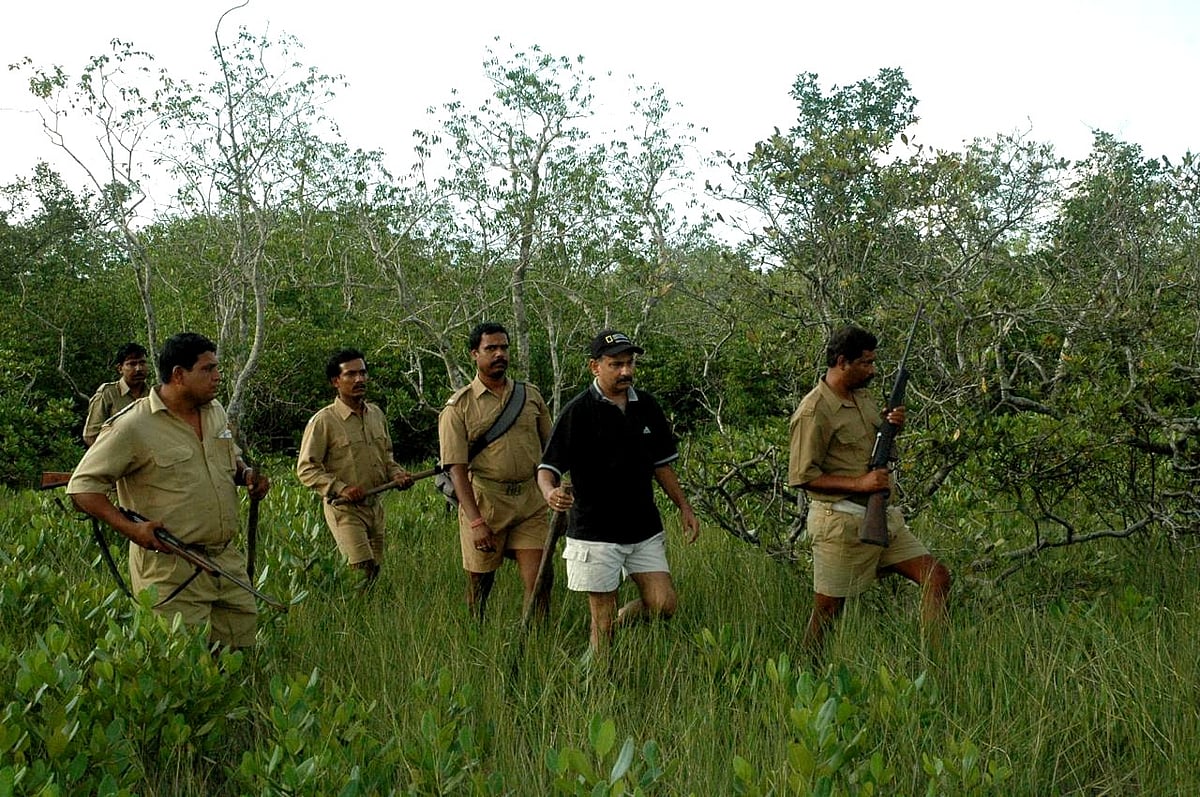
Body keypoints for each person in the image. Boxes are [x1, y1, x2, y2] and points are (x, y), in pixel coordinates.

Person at [67, 332, 270, 649]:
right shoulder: (132, 425)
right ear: (179, 375)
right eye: (207, 369)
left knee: (239, 660)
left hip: (225, 561)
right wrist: (133, 530)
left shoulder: (214, 411)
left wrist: (245, 475)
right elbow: (82, 488)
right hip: (170, 569)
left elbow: (229, 458)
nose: (218, 376)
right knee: (181, 670)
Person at [788, 324, 951, 653]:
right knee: (829, 610)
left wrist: (893, 428)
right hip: (840, 523)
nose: (872, 370)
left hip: (880, 516)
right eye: (865, 363)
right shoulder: (813, 410)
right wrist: (859, 483)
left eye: (873, 362)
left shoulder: (862, 395)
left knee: (937, 578)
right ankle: (803, 672)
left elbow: (872, 448)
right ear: (842, 362)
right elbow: (802, 477)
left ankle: (934, 664)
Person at [537, 329, 701, 655]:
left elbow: (662, 465)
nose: (626, 371)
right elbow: (547, 469)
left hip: (643, 527)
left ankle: (620, 622)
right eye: (616, 364)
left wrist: (684, 507)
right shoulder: (578, 411)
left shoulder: (647, 406)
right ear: (594, 367)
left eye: (629, 363)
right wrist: (550, 493)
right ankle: (595, 683)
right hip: (595, 532)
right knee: (602, 620)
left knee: (663, 603)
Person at [438, 322, 554, 621]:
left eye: (504, 347)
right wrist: (476, 521)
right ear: (474, 354)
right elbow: (456, 469)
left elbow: (552, 449)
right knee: (481, 581)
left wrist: (557, 491)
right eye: (491, 348)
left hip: (530, 500)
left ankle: (536, 641)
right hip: (486, 501)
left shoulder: (530, 396)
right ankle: (475, 631)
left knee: (540, 579)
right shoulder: (458, 407)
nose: (499, 354)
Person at [296, 348, 413, 585]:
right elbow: (306, 469)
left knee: (374, 570)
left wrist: (398, 474)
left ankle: (368, 614)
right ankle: (350, 616)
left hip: (374, 505)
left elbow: (386, 457)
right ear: (335, 382)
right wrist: (340, 488)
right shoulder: (324, 421)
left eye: (363, 373)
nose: (359, 379)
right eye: (351, 374)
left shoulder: (376, 415)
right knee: (360, 569)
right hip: (345, 509)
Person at [83, 342, 151, 446]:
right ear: (120, 368)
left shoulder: (152, 395)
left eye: (142, 363)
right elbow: (91, 436)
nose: (139, 369)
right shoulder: (108, 393)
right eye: (132, 364)